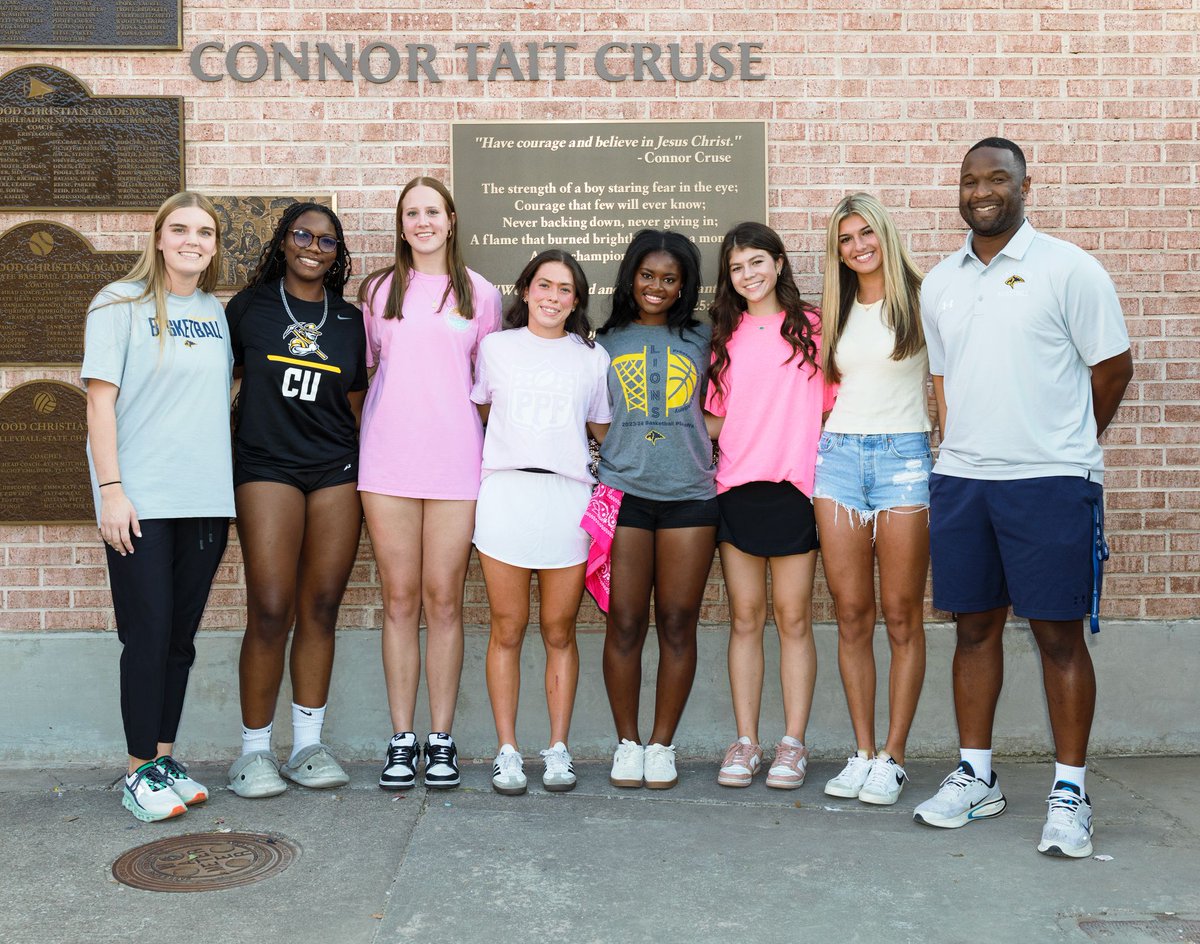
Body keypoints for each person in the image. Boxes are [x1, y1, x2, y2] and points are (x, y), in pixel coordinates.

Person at [913, 138, 1132, 858]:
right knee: (972, 630)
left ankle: (1070, 793)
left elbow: (1113, 368)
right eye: (970, 180)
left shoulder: (1069, 268)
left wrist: (1067, 444)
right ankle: (977, 777)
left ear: (1024, 186)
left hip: (1050, 481)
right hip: (964, 480)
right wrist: (957, 450)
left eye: (996, 178)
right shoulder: (939, 282)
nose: (982, 190)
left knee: (1058, 636)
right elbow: (945, 379)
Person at [82, 192, 233, 822]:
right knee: (146, 635)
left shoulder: (215, 312)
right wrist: (111, 490)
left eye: (205, 232)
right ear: (159, 238)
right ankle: (136, 769)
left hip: (206, 499)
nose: (192, 241)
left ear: (214, 246)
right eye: (181, 229)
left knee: (179, 640)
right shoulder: (118, 303)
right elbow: (99, 402)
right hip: (140, 500)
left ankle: (163, 760)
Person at [359, 177, 502, 791]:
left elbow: (488, 382)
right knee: (399, 599)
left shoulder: (482, 293)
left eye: (432, 212)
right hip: (387, 460)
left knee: (444, 600)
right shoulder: (377, 291)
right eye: (411, 213)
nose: (422, 222)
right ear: (402, 224)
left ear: (451, 219)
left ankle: (440, 737)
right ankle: (402, 737)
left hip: (455, 462)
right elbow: (370, 370)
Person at [224, 203, 367, 799]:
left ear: (338, 254)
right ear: (283, 241)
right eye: (303, 235)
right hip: (266, 465)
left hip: (333, 469)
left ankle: (308, 746)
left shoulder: (350, 319)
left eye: (327, 241)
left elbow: (354, 403)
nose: (313, 247)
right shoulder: (248, 308)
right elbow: (218, 381)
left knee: (322, 605)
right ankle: (254, 752)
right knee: (271, 606)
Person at [471, 250, 612, 796]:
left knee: (559, 629)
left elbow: (600, 428)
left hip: (566, 499)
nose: (553, 297)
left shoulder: (591, 358)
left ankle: (558, 749)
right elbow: (485, 412)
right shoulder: (496, 348)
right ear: (526, 290)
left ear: (576, 301)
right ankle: (507, 751)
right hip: (506, 494)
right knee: (507, 627)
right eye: (544, 285)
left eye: (565, 289)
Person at [705, 222, 833, 791]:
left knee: (794, 617)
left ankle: (793, 743)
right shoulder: (724, 337)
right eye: (736, 268)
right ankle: (746, 741)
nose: (748, 274)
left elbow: (829, 408)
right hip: (736, 489)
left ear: (779, 262)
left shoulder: (814, 328)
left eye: (756, 261)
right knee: (746, 618)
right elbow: (714, 420)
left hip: (794, 490)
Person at [813, 193, 930, 806]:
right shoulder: (834, 309)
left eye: (866, 233)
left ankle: (893, 755)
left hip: (905, 459)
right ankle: (861, 752)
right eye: (846, 238)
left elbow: (950, 381)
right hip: (838, 460)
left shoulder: (923, 297)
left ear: (885, 234)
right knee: (852, 613)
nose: (858, 246)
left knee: (903, 614)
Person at [596, 229, 715, 790]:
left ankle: (662, 745)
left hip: (690, 495)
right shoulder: (603, 340)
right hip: (623, 494)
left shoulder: (703, 337)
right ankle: (628, 743)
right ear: (631, 277)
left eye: (670, 279)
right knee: (624, 621)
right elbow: (594, 413)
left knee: (676, 621)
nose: (657, 287)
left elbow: (727, 404)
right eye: (648, 275)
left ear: (684, 285)